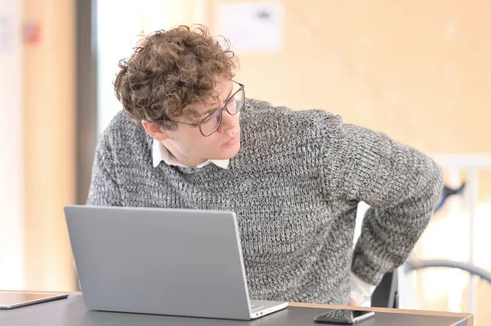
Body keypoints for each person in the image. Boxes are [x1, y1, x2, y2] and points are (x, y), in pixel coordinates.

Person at [87, 24, 444, 306]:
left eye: (231, 100)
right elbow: (101, 254)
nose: (231, 124)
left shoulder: (312, 143)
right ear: (156, 129)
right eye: (208, 120)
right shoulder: (123, 140)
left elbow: (421, 181)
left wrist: (361, 281)